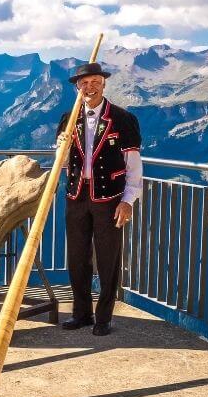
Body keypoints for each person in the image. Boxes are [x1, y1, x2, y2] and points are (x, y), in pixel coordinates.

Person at [54, 62, 142, 336]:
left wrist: (128, 200)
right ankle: (81, 314)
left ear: (103, 84)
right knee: (77, 258)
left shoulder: (122, 118)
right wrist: (62, 147)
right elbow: (63, 163)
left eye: (94, 82)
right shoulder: (69, 118)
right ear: (77, 88)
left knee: (108, 259)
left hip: (110, 199)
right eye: (84, 83)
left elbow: (133, 165)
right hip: (76, 196)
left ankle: (104, 318)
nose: (89, 87)